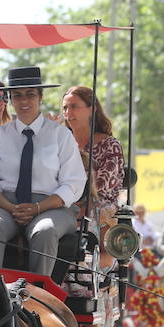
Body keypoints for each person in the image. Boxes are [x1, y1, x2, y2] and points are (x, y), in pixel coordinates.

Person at [0, 66, 86, 277]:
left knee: (45, 231)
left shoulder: (61, 135)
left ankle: (39, 297)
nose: (24, 101)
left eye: (30, 94)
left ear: (40, 96)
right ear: (11, 100)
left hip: (51, 206)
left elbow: (74, 183)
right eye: (17, 95)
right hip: (4, 205)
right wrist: (10, 206)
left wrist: (38, 207)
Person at [60, 84, 125, 266]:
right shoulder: (60, 144)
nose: (68, 112)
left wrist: (77, 208)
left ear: (92, 109)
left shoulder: (109, 145)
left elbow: (103, 189)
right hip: (64, 204)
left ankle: (93, 269)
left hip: (97, 207)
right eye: (65, 107)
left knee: (101, 213)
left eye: (74, 106)